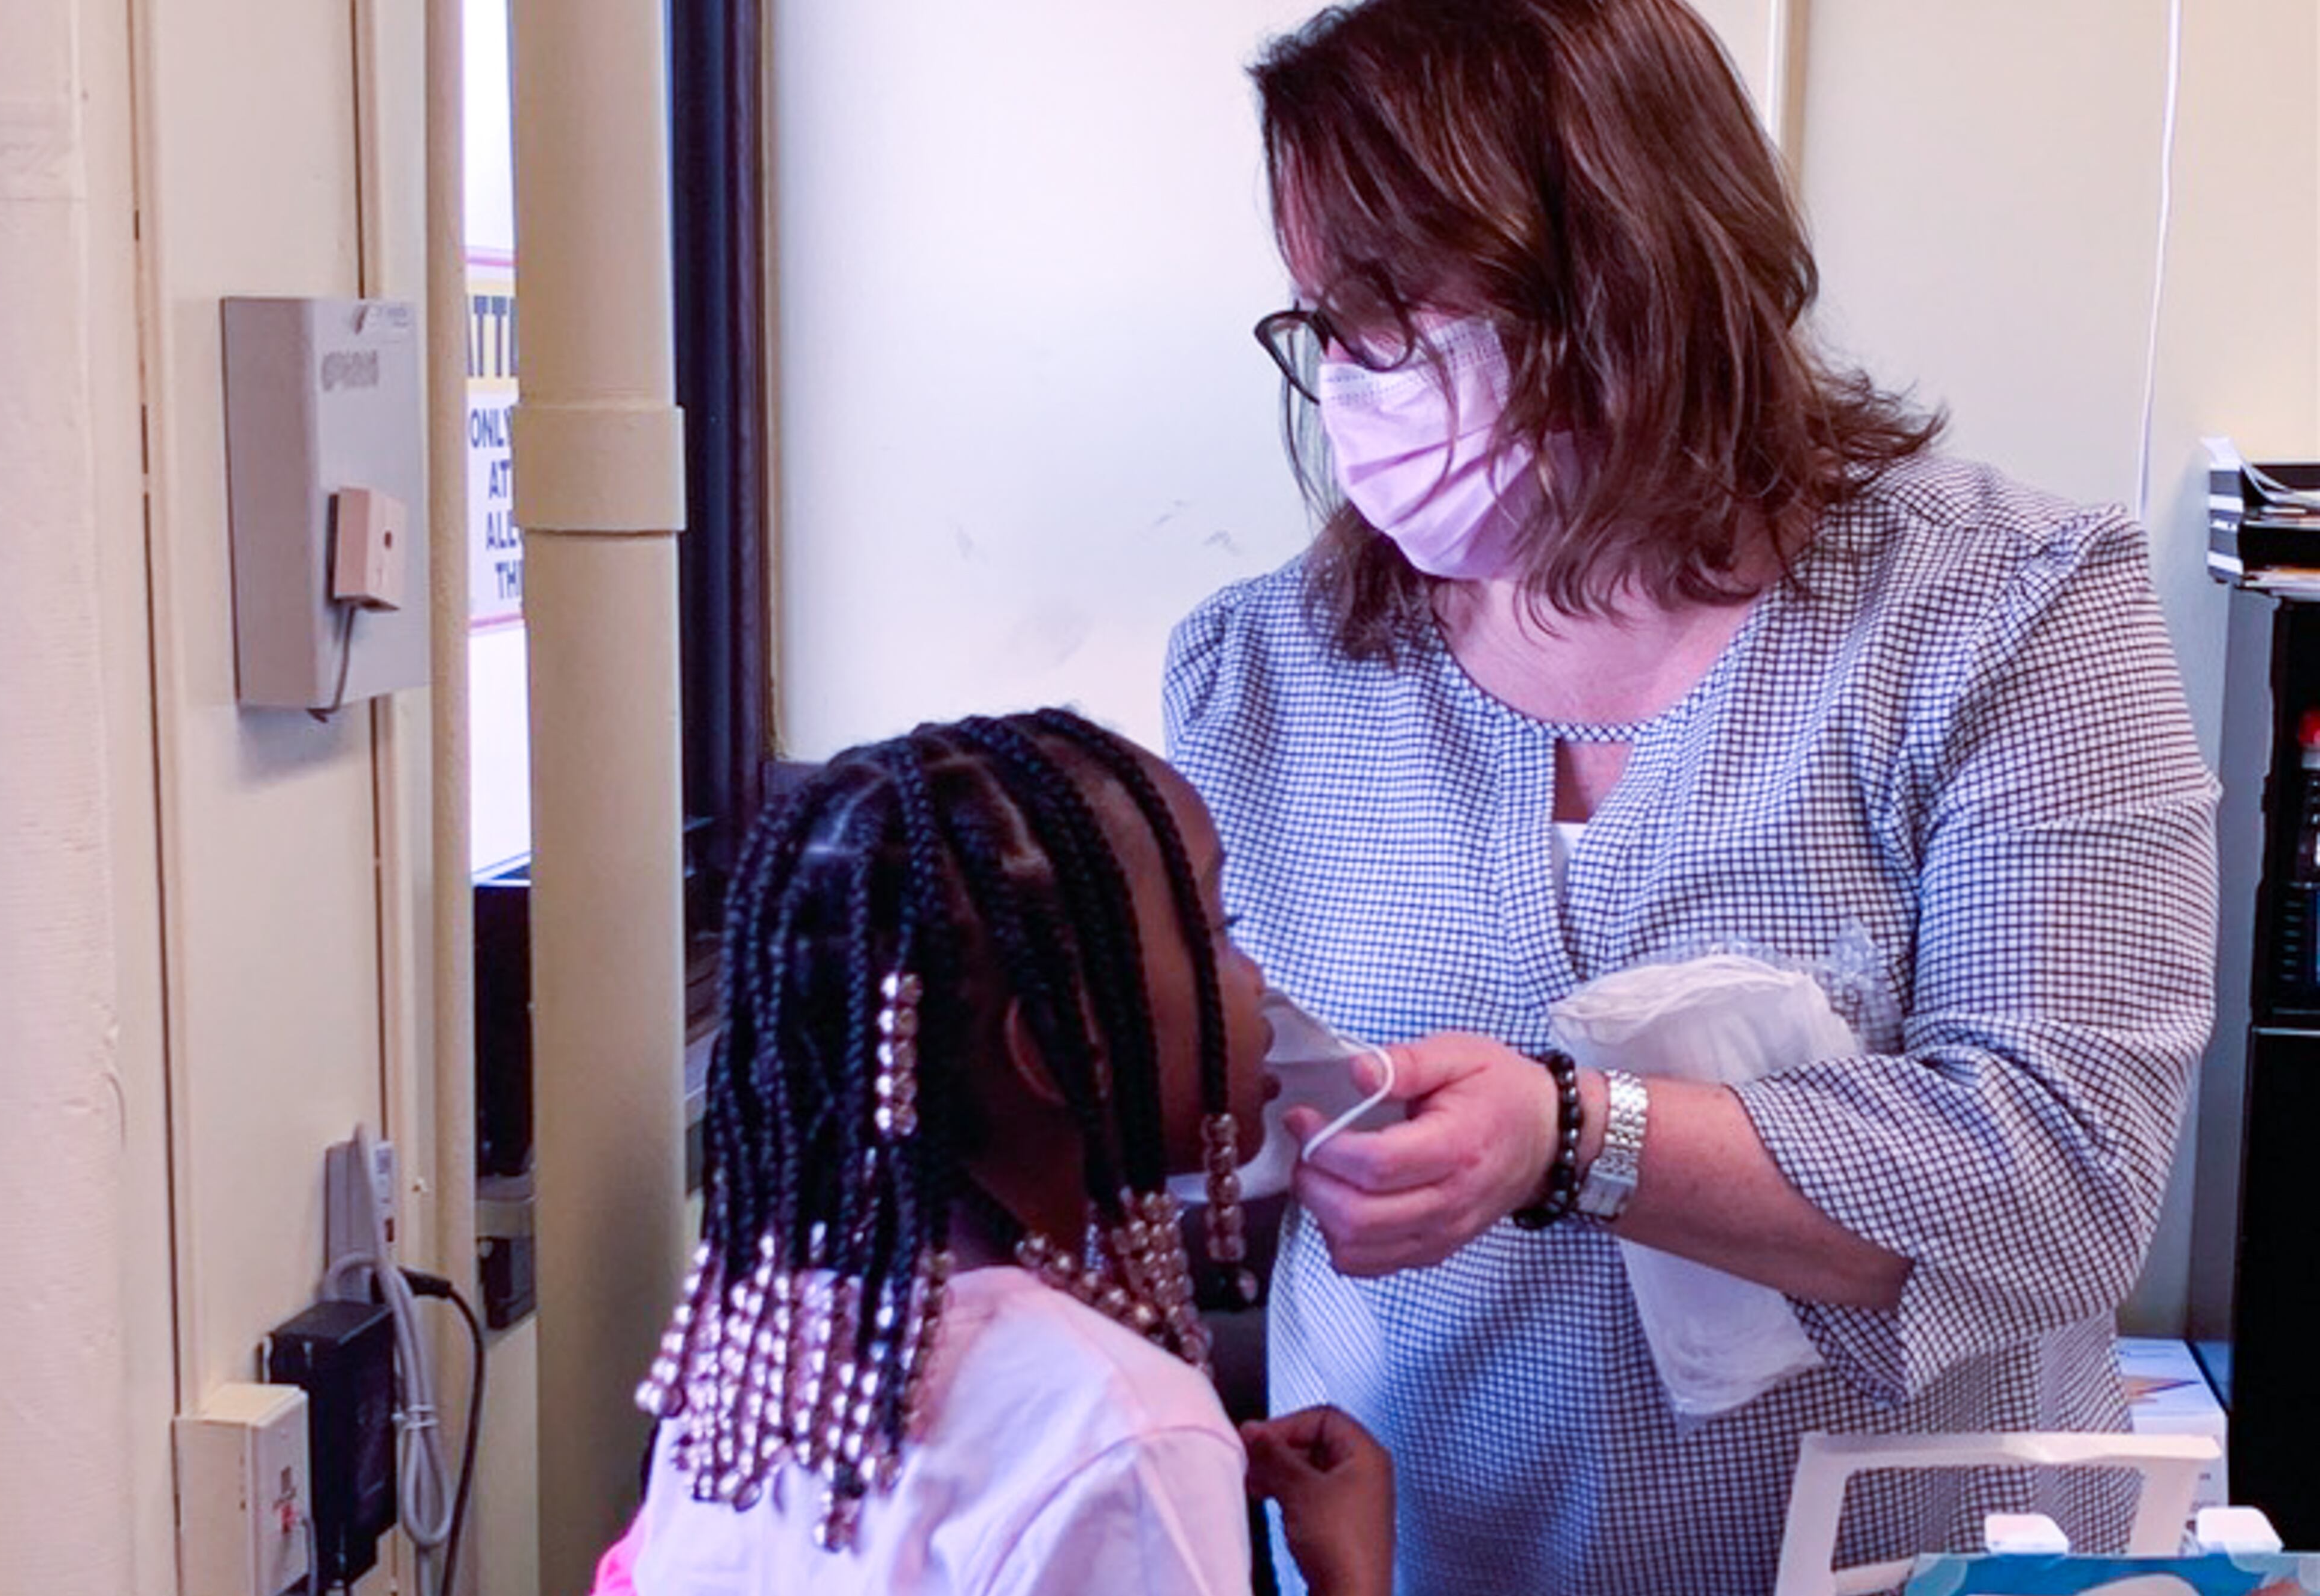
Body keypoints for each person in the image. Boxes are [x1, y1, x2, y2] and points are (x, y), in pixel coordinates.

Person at [1164, 2, 2221, 1592]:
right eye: (1330, 326)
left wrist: (1574, 1136)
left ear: (1634, 282)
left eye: (1406, 321)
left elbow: (2066, 1182)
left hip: (1894, 1557)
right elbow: (1198, 1164)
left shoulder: (2010, 608)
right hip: (1419, 1546)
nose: (1358, 388)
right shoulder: (1259, 671)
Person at [586, 709, 1396, 1596]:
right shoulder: (1128, 1433)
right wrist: (1349, 1575)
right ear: (1065, 1048)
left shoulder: (753, 1356)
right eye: (1216, 928)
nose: (1255, 981)